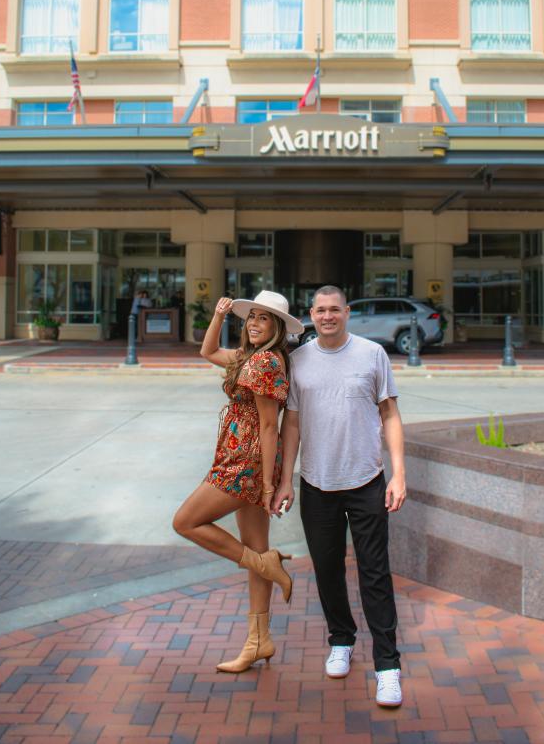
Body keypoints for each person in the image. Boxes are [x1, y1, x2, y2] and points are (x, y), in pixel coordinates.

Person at [273, 285, 406, 707]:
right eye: (321, 310)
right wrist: (284, 481)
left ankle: (388, 666)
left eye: (335, 310)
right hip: (317, 484)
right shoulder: (298, 360)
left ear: (347, 313)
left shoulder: (372, 354)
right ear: (310, 314)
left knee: (375, 574)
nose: (328, 316)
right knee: (327, 570)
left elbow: (390, 414)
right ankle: (341, 640)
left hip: (367, 480)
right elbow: (290, 425)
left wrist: (399, 474)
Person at [172, 290, 304, 673]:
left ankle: (268, 564)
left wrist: (265, 485)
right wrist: (218, 316)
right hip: (242, 457)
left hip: (245, 462)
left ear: (277, 327)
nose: (255, 324)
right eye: (251, 318)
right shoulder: (250, 357)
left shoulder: (265, 362)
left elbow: (268, 425)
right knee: (256, 544)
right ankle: (258, 641)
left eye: (264, 319)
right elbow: (208, 352)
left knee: (185, 522)